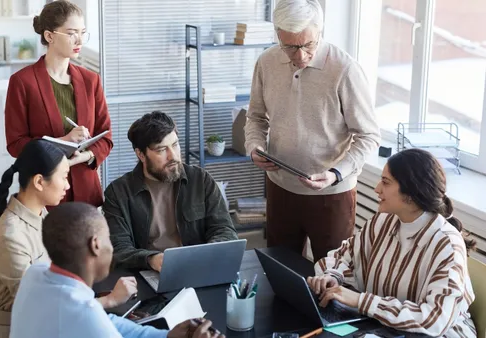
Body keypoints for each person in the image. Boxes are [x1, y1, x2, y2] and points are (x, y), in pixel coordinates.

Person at [244, 0, 380, 261]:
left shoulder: (345, 69)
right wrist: (254, 146)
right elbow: (256, 117)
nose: (301, 56)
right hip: (279, 187)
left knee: (331, 276)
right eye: (290, 47)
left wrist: (335, 174)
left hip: (332, 193)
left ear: (320, 32)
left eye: (308, 45)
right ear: (278, 35)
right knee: (280, 268)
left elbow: (369, 135)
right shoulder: (266, 62)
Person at [308, 148, 476, 337]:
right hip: (385, 326)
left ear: (411, 193)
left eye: (386, 182)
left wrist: (362, 301)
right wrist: (333, 275)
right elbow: (345, 255)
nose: (377, 188)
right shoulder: (384, 221)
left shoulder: (447, 245)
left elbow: (434, 320)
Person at [0, 140, 135, 338]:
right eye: (64, 177)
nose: (68, 186)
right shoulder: (11, 239)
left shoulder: (39, 213)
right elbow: (41, 308)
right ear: (39, 182)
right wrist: (109, 300)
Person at [10, 202, 225, 338]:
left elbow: (109, 323)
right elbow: (94, 321)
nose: (111, 247)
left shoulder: (35, 275)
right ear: (95, 245)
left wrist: (166, 336)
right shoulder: (83, 315)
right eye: (108, 239)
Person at [5, 0, 112, 208]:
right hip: (44, 194)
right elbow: (15, 144)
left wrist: (85, 156)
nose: (79, 39)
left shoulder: (91, 81)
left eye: (82, 32)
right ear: (49, 36)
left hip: (86, 194)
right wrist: (63, 141)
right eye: (71, 33)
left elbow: (106, 136)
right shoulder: (22, 82)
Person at [103, 111, 238, 271]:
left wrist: (203, 255)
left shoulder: (200, 180)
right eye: (161, 150)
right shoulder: (118, 193)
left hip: (196, 267)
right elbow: (119, 249)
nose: (173, 156)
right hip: (147, 272)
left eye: (175, 145)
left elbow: (224, 230)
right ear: (141, 154)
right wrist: (151, 259)